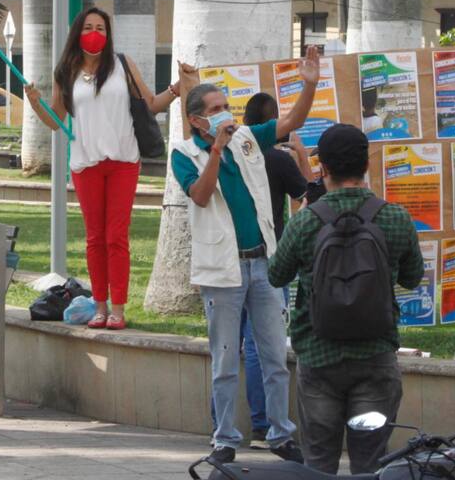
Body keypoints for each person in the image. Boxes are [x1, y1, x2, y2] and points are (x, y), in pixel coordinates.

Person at [171, 46, 322, 465]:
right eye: (215, 109)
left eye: (226, 106)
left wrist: (309, 85)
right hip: (223, 269)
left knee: (274, 357)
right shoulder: (184, 153)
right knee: (225, 359)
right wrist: (216, 151)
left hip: (264, 264)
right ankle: (224, 438)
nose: (224, 114)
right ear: (197, 119)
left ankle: (280, 433)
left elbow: (291, 123)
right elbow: (200, 196)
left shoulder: (248, 137)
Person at [269, 124, 424, 475]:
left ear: (323, 168)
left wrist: (302, 215)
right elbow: (412, 278)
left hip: (318, 357)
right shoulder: (395, 217)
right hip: (375, 357)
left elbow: (277, 275)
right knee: (370, 463)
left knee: (318, 464)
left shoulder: (306, 221)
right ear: (366, 165)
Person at [25, 6, 180, 329]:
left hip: (124, 161)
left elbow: (151, 104)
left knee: (116, 237)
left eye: (100, 28)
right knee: (95, 238)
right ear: (77, 33)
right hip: (86, 164)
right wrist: (35, 102)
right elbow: (55, 121)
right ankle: (100, 306)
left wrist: (177, 88)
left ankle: (118, 310)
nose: (94, 33)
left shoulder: (122, 65)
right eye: (88, 27)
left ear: (108, 35)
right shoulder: (65, 71)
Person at [234, 92, 313, 443]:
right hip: (269, 259)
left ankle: (229, 426)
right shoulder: (278, 160)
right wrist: (303, 157)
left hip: (230, 259)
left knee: (226, 347)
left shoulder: (233, 153)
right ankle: (264, 424)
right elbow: (310, 196)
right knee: (261, 343)